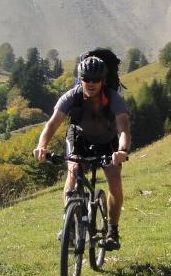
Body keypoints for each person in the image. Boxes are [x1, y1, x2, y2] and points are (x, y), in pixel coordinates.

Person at [32, 55, 131, 250]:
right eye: (86, 79)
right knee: (73, 171)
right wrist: (41, 146)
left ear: (103, 81)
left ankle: (112, 230)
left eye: (96, 80)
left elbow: (123, 129)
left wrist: (122, 150)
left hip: (108, 141)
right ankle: (69, 226)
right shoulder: (72, 96)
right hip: (79, 138)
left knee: (115, 182)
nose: (91, 83)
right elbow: (52, 123)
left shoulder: (113, 98)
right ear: (80, 79)